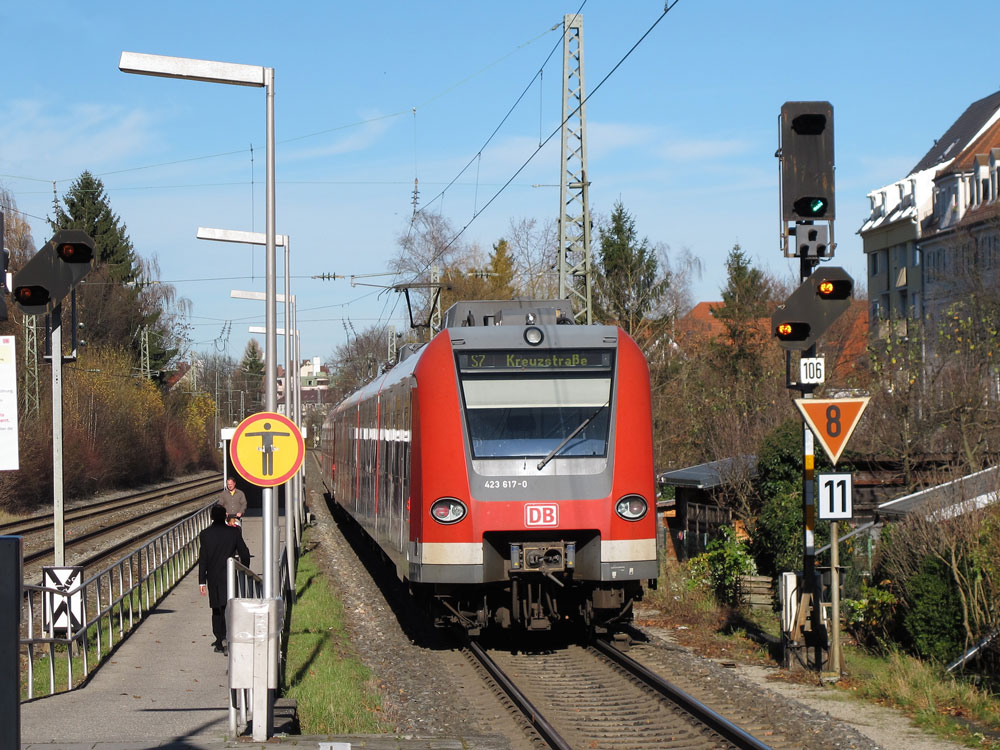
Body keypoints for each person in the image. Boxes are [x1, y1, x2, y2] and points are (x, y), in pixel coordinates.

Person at [198, 504, 251, 653]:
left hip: (213, 576)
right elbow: (244, 553)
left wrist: (202, 580)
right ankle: (229, 635)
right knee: (228, 606)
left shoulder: (205, 534)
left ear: (212, 517)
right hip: (229, 574)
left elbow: (203, 560)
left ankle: (219, 638)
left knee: (216, 608)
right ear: (225, 517)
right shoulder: (233, 533)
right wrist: (244, 568)